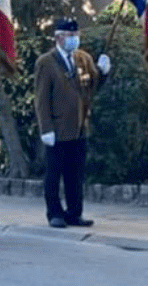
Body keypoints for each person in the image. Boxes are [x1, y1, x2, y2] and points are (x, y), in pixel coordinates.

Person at [33, 17, 112, 229]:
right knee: (54, 173)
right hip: (58, 128)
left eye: (76, 35)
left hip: (79, 126)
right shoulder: (46, 62)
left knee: (75, 174)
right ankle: (55, 213)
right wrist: (46, 128)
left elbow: (91, 88)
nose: (74, 39)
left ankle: (74, 212)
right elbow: (41, 99)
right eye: (70, 36)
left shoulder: (83, 58)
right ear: (58, 37)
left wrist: (103, 73)